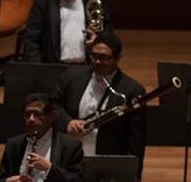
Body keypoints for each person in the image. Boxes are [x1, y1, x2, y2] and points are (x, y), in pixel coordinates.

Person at [52, 31, 146, 171]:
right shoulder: (72, 76)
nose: (97, 61)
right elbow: (54, 104)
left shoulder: (132, 90)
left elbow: (136, 141)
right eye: (94, 56)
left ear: (117, 58)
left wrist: (133, 175)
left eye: (104, 57)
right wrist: (68, 123)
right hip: (69, 160)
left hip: (106, 164)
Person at [0, 92, 85, 182]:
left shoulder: (69, 146)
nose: (31, 119)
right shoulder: (14, 145)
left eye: (37, 114)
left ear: (51, 116)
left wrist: (49, 169)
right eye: (27, 114)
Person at [21, 0, 109, 64]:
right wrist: (39, 71)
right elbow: (31, 39)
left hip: (87, 67)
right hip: (54, 68)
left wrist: (98, 39)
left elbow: (107, 28)